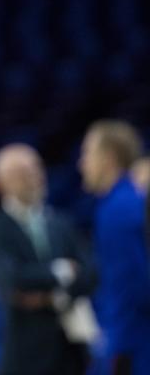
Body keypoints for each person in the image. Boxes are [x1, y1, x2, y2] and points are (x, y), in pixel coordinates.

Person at [0, 144, 96, 375]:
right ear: (1, 183)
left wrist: (50, 296)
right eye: (23, 172)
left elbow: (91, 274)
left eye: (36, 168)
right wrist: (62, 272)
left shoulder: (61, 222)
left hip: (70, 352)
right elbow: (12, 279)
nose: (34, 176)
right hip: (24, 354)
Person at [79, 120, 150, 375]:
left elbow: (132, 285)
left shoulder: (118, 209)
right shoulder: (131, 200)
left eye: (87, 153)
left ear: (108, 157)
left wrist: (114, 346)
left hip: (132, 343)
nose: (82, 163)